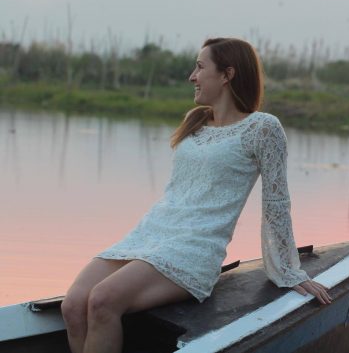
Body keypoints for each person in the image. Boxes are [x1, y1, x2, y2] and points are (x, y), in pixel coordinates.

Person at [60, 37, 331, 353]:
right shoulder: (196, 121)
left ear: (227, 74)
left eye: (200, 67)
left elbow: (276, 203)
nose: (192, 76)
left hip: (193, 249)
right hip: (150, 235)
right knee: (73, 304)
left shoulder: (262, 128)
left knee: (103, 301)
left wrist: (286, 269)